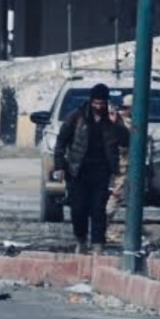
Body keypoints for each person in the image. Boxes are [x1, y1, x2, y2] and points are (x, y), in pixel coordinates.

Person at [54, 83, 129, 255]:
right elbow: (61, 141)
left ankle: (97, 245)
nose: (99, 107)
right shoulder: (77, 117)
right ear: (90, 101)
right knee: (78, 209)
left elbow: (126, 141)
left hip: (102, 171)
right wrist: (59, 165)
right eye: (96, 103)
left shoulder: (112, 119)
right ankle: (81, 239)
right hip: (78, 171)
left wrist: (116, 123)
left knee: (98, 210)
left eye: (102, 103)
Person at [105, 94, 134, 241]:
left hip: (129, 164)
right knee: (115, 196)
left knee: (121, 197)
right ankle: (102, 227)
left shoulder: (129, 121)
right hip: (120, 164)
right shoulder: (118, 121)